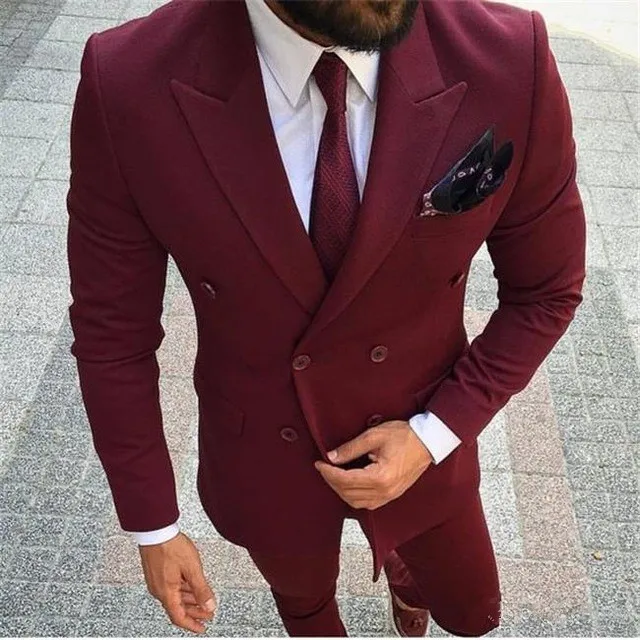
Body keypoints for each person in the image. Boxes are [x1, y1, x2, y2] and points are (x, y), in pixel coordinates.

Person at [66, 0, 586, 636]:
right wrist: (153, 525)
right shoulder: (127, 81)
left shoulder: (507, 55)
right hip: (262, 449)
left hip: (428, 432)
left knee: (471, 610)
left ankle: (404, 574)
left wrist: (435, 433)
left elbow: (547, 289)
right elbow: (112, 334)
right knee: (305, 605)